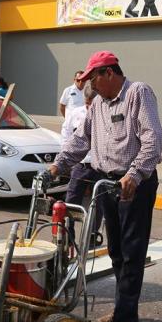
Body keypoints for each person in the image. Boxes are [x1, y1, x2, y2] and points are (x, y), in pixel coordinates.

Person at [50, 51, 162, 322]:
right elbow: (80, 140)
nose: (91, 86)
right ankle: (121, 309)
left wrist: (135, 174)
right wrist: (58, 165)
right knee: (114, 249)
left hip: (133, 184)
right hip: (107, 184)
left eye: (94, 79)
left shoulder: (138, 93)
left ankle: (127, 320)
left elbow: (153, 139)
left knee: (131, 252)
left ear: (109, 73)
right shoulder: (98, 104)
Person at [60, 81, 101, 243]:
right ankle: (68, 236)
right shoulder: (75, 114)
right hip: (81, 164)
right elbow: (66, 135)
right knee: (71, 200)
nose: (89, 108)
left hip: (100, 166)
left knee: (99, 204)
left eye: (93, 104)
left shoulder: (104, 115)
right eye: (87, 104)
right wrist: (65, 159)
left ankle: (92, 235)